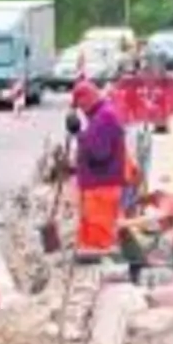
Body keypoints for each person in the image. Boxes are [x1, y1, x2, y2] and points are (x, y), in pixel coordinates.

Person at [67, 80, 138, 261]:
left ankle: (103, 270)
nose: (80, 110)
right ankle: (91, 261)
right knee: (91, 228)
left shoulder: (104, 117)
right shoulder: (99, 115)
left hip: (102, 185)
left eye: (80, 105)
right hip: (98, 185)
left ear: (86, 99)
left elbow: (99, 152)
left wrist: (78, 135)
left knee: (100, 231)